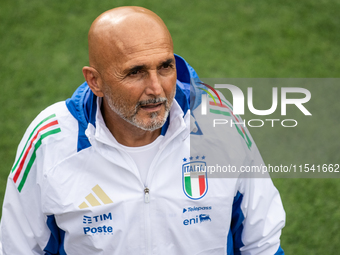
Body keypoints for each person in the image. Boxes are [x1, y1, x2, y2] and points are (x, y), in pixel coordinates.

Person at [0, 6, 285, 255]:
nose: (156, 89)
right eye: (135, 72)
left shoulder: (220, 126)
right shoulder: (50, 140)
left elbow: (263, 242)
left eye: (165, 67)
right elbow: (19, 247)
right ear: (95, 81)